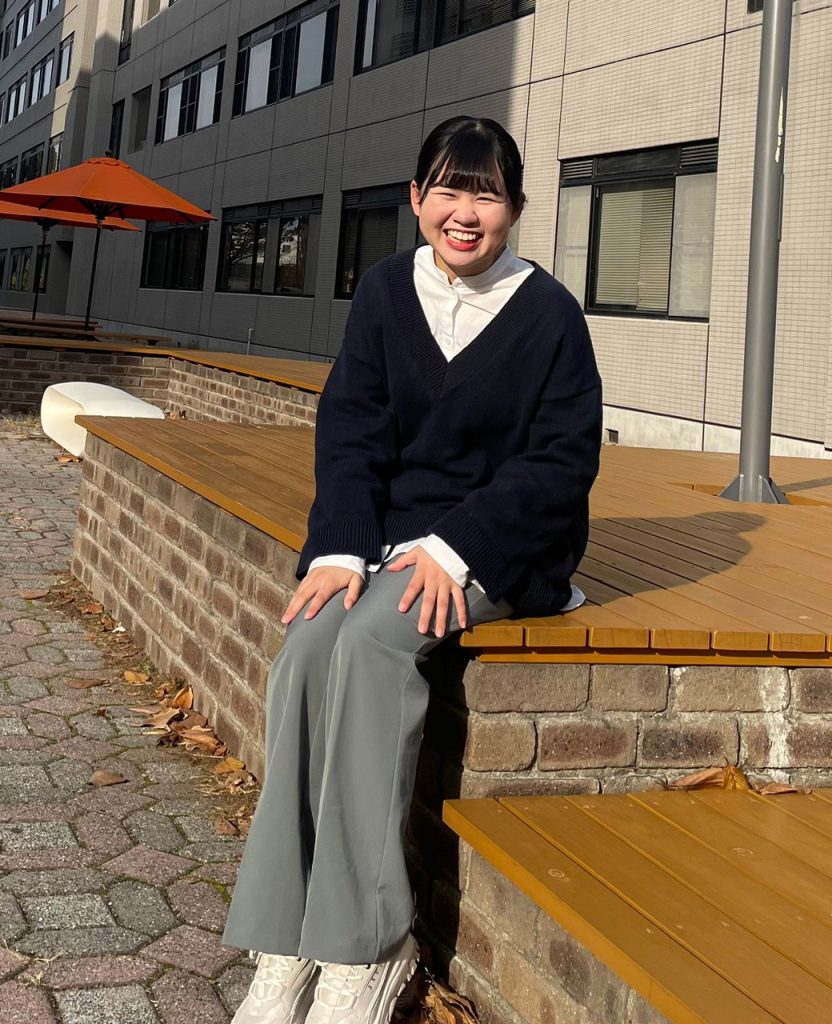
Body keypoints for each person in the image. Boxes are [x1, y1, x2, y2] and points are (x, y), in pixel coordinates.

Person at [222, 115, 602, 1024]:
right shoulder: (389, 291)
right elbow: (351, 430)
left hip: (497, 545)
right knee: (309, 644)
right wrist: (341, 546)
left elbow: (560, 463)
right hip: (390, 541)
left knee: (373, 644)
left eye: (486, 195)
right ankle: (285, 935)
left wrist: (456, 546)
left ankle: (366, 945)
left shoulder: (550, 314)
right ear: (415, 199)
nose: (464, 212)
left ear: (515, 207)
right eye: (447, 190)